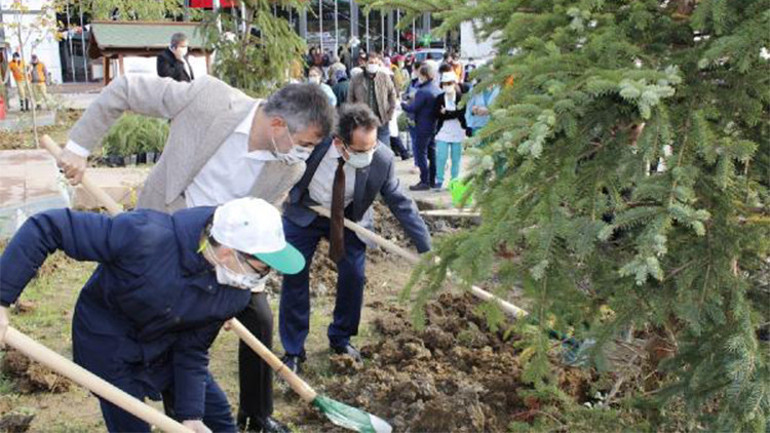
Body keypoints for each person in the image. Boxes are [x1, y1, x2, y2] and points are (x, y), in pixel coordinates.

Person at [56, 74, 335, 433]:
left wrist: (252, 272)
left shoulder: (289, 165)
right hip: (165, 239)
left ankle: (251, 412)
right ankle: (164, 402)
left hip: (225, 255)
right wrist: (79, 146)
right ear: (278, 124)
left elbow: (267, 211)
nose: (306, 154)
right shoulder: (209, 100)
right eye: (305, 143)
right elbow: (126, 89)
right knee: (156, 321)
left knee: (252, 318)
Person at [0, 197, 306, 433]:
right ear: (228, 251)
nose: (264, 276)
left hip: (166, 345)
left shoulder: (234, 291)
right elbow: (48, 227)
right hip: (108, 343)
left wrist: (190, 415)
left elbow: (192, 349)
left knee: (217, 421)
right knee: (131, 424)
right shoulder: (145, 236)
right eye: (262, 267)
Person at [278, 104, 431, 372]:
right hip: (306, 212)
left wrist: (425, 246)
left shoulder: (381, 159)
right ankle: (293, 350)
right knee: (294, 273)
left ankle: (341, 336)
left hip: (349, 218)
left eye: (371, 147)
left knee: (354, 275)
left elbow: (400, 202)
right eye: (361, 151)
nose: (368, 155)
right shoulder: (315, 143)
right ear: (339, 143)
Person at [401, 63, 442, 190]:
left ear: (424, 75)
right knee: (432, 153)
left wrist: (402, 104)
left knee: (421, 154)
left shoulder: (422, 91)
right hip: (434, 125)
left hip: (423, 126)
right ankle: (432, 180)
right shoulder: (437, 89)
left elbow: (413, 108)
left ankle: (424, 181)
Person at [348, 52, 398, 149]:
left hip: (382, 119)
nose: (373, 65)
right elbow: (350, 98)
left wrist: (389, 114)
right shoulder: (356, 79)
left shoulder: (384, 77)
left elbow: (392, 95)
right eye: (371, 62)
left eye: (376, 63)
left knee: (384, 149)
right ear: (365, 63)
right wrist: (354, 115)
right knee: (365, 148)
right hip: (363, 120)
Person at [433, 72, 469, 190]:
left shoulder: (460, 97)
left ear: (454, 83)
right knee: (441, 156)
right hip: (443, 131)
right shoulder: (439, 98)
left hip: (458, 131)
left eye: (449, 83)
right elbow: (437, 114)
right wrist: (449, 113)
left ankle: (454, 181)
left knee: (456, 158)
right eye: (444, 83)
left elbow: (461, 113)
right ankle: (439, 180)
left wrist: (447, 112)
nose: (447, 85)